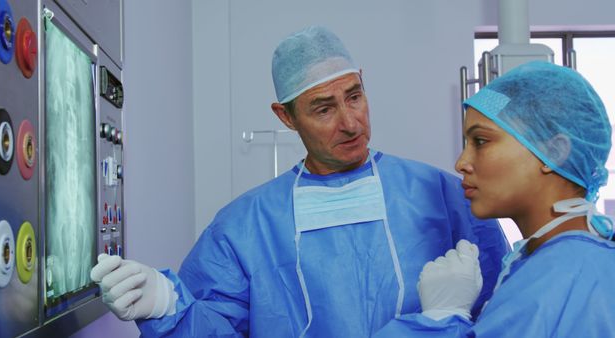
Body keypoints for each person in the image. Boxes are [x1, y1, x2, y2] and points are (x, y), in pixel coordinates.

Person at [90, 26, 508, 337]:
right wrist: (165, 305)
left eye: (355, 96)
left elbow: (506, 310)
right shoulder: (244, 228)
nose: (350, 123)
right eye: (323, 109)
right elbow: (214, 328)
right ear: (285, 116)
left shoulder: (443, 196)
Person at [374, 60, 615, 337]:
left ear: (555, 151)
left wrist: (441, 320)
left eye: (480, 141)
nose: (461, 162)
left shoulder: (568, 274)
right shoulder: (550, 265)